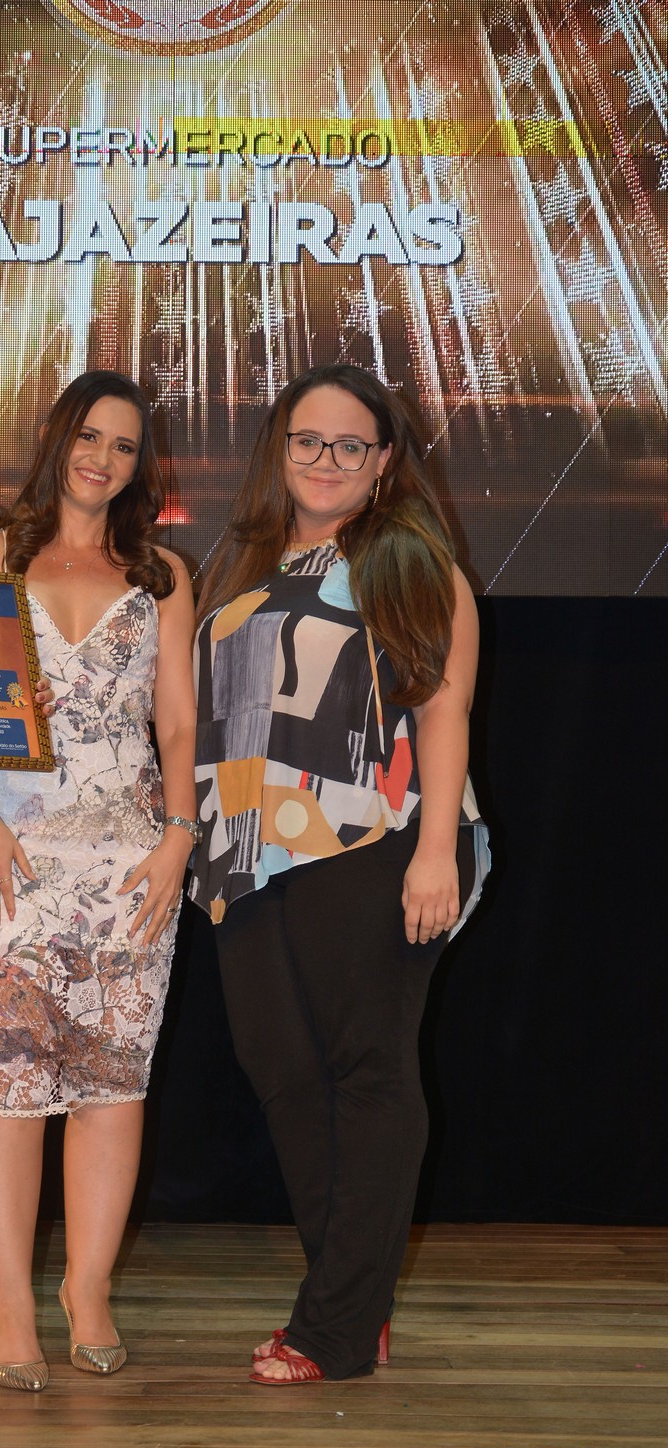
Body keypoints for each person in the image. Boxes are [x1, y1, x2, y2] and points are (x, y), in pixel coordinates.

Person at [189, 363, 489, 1384]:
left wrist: (436, 852)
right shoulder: (242, 560)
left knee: (368, 1070)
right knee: (280, 1068)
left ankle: (334, 1329)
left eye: (349, 444)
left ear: (384, 461)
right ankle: (351, 1299)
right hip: (245, 846)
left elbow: (441, 710)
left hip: (374, 839)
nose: (325, 460)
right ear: (281, 450)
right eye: (307, 440)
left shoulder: (406, 561)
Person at [0, 370, 196, 1391]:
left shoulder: (162, 573)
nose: (103, 459)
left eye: (124, 446)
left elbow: (178, 720)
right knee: (8, 1084)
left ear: (141, 465)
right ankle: (8, 1300)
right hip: (8, 850)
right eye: (89, 437)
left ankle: (86, 1291)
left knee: (111, 1081)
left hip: (129, 858)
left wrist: (178, 836)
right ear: (58, 439)